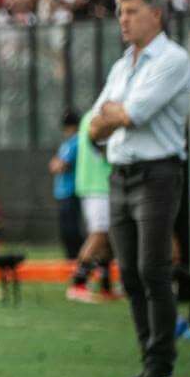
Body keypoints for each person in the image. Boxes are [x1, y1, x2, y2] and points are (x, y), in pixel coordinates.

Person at [90, 0, 190, 377]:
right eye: (120, 12)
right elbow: (95, 124)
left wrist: (116, 114)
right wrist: (114, 115)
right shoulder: (122, 65)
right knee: (130, 272)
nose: (124, 19)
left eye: (132, 11)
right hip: (121, 174)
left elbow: (132, 114)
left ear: (156, 15)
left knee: (153, 269)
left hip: (157, 174)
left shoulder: (173, 59)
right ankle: (146, 361)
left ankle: (161, 367)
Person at [68, 114, 117, 303]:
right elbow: (104, 150)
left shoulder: (89, 116)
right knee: (99, 234)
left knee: (105, 238)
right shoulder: (101, 117)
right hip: (99, 185)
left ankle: (106, 285)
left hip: (94, 185)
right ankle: (78, 283)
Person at [50, 111, 85, 260]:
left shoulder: (76, 142)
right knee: (66, 229)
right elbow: (54, 165)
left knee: (72, 229)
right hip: (62, 192)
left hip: (71, 191)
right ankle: (71, 258)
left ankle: (77, 258)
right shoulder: (67, 143)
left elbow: (61, 165)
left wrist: (58, 164)